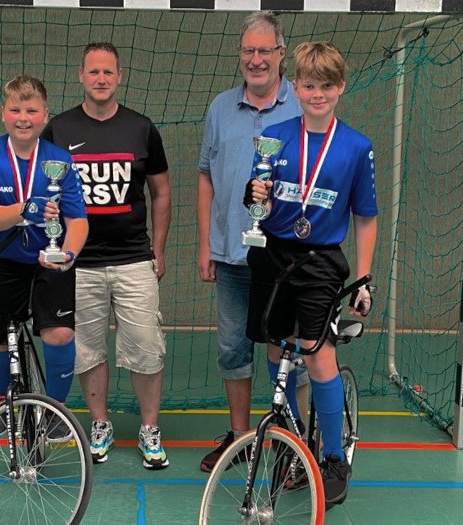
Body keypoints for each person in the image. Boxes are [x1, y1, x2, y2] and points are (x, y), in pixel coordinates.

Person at [246, 41, 377, 509]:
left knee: (316, 355)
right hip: (273, 256)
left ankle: (333, 457)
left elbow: (365, 217)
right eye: (308, 85)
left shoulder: (356, 147)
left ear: (339, 88)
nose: (316, 93)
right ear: (294, 86)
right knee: (272, 342)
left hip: (321, 262)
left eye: (326, 85)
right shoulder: (275, 135)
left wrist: (363, 280)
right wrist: (254, 194)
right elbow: (256, 203)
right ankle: (287, 437)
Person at [41, 42, 172, 470]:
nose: (101, 79)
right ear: (81, 75)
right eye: (93, 71)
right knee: (88, 350)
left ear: (119, 77)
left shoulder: (141, 128)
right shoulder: (57, 130)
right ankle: (100, 423)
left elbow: (162, 192)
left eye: (108, 72)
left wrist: (159, 249)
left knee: (146, 348)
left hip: (134, 259)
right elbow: (42, 189)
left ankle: (150, 429)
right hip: (79, 263)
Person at [196, 10, 310, 473]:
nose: (257, 59)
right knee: (231, 349)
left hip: (284, 257)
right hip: (230, 253)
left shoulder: (302, 106)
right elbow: (206, 175)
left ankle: (293, 439)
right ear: (239, 55)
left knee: (287, 349)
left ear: (282, 54)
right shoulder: (221, 107)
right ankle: (241, 437)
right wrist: (205, 243)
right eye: (249, 50)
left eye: (265, 50)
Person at [0, 75, 89, 441]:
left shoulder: (60, 160)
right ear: (3, 114)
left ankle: (55, 409)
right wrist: (23, 209)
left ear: (44, 115)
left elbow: (78, 220)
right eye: (16, 109)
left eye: (32, 110)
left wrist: (68, 252)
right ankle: (0, 402)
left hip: (49, 262)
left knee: (60, 333)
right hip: (4, 260)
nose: (24, 117)